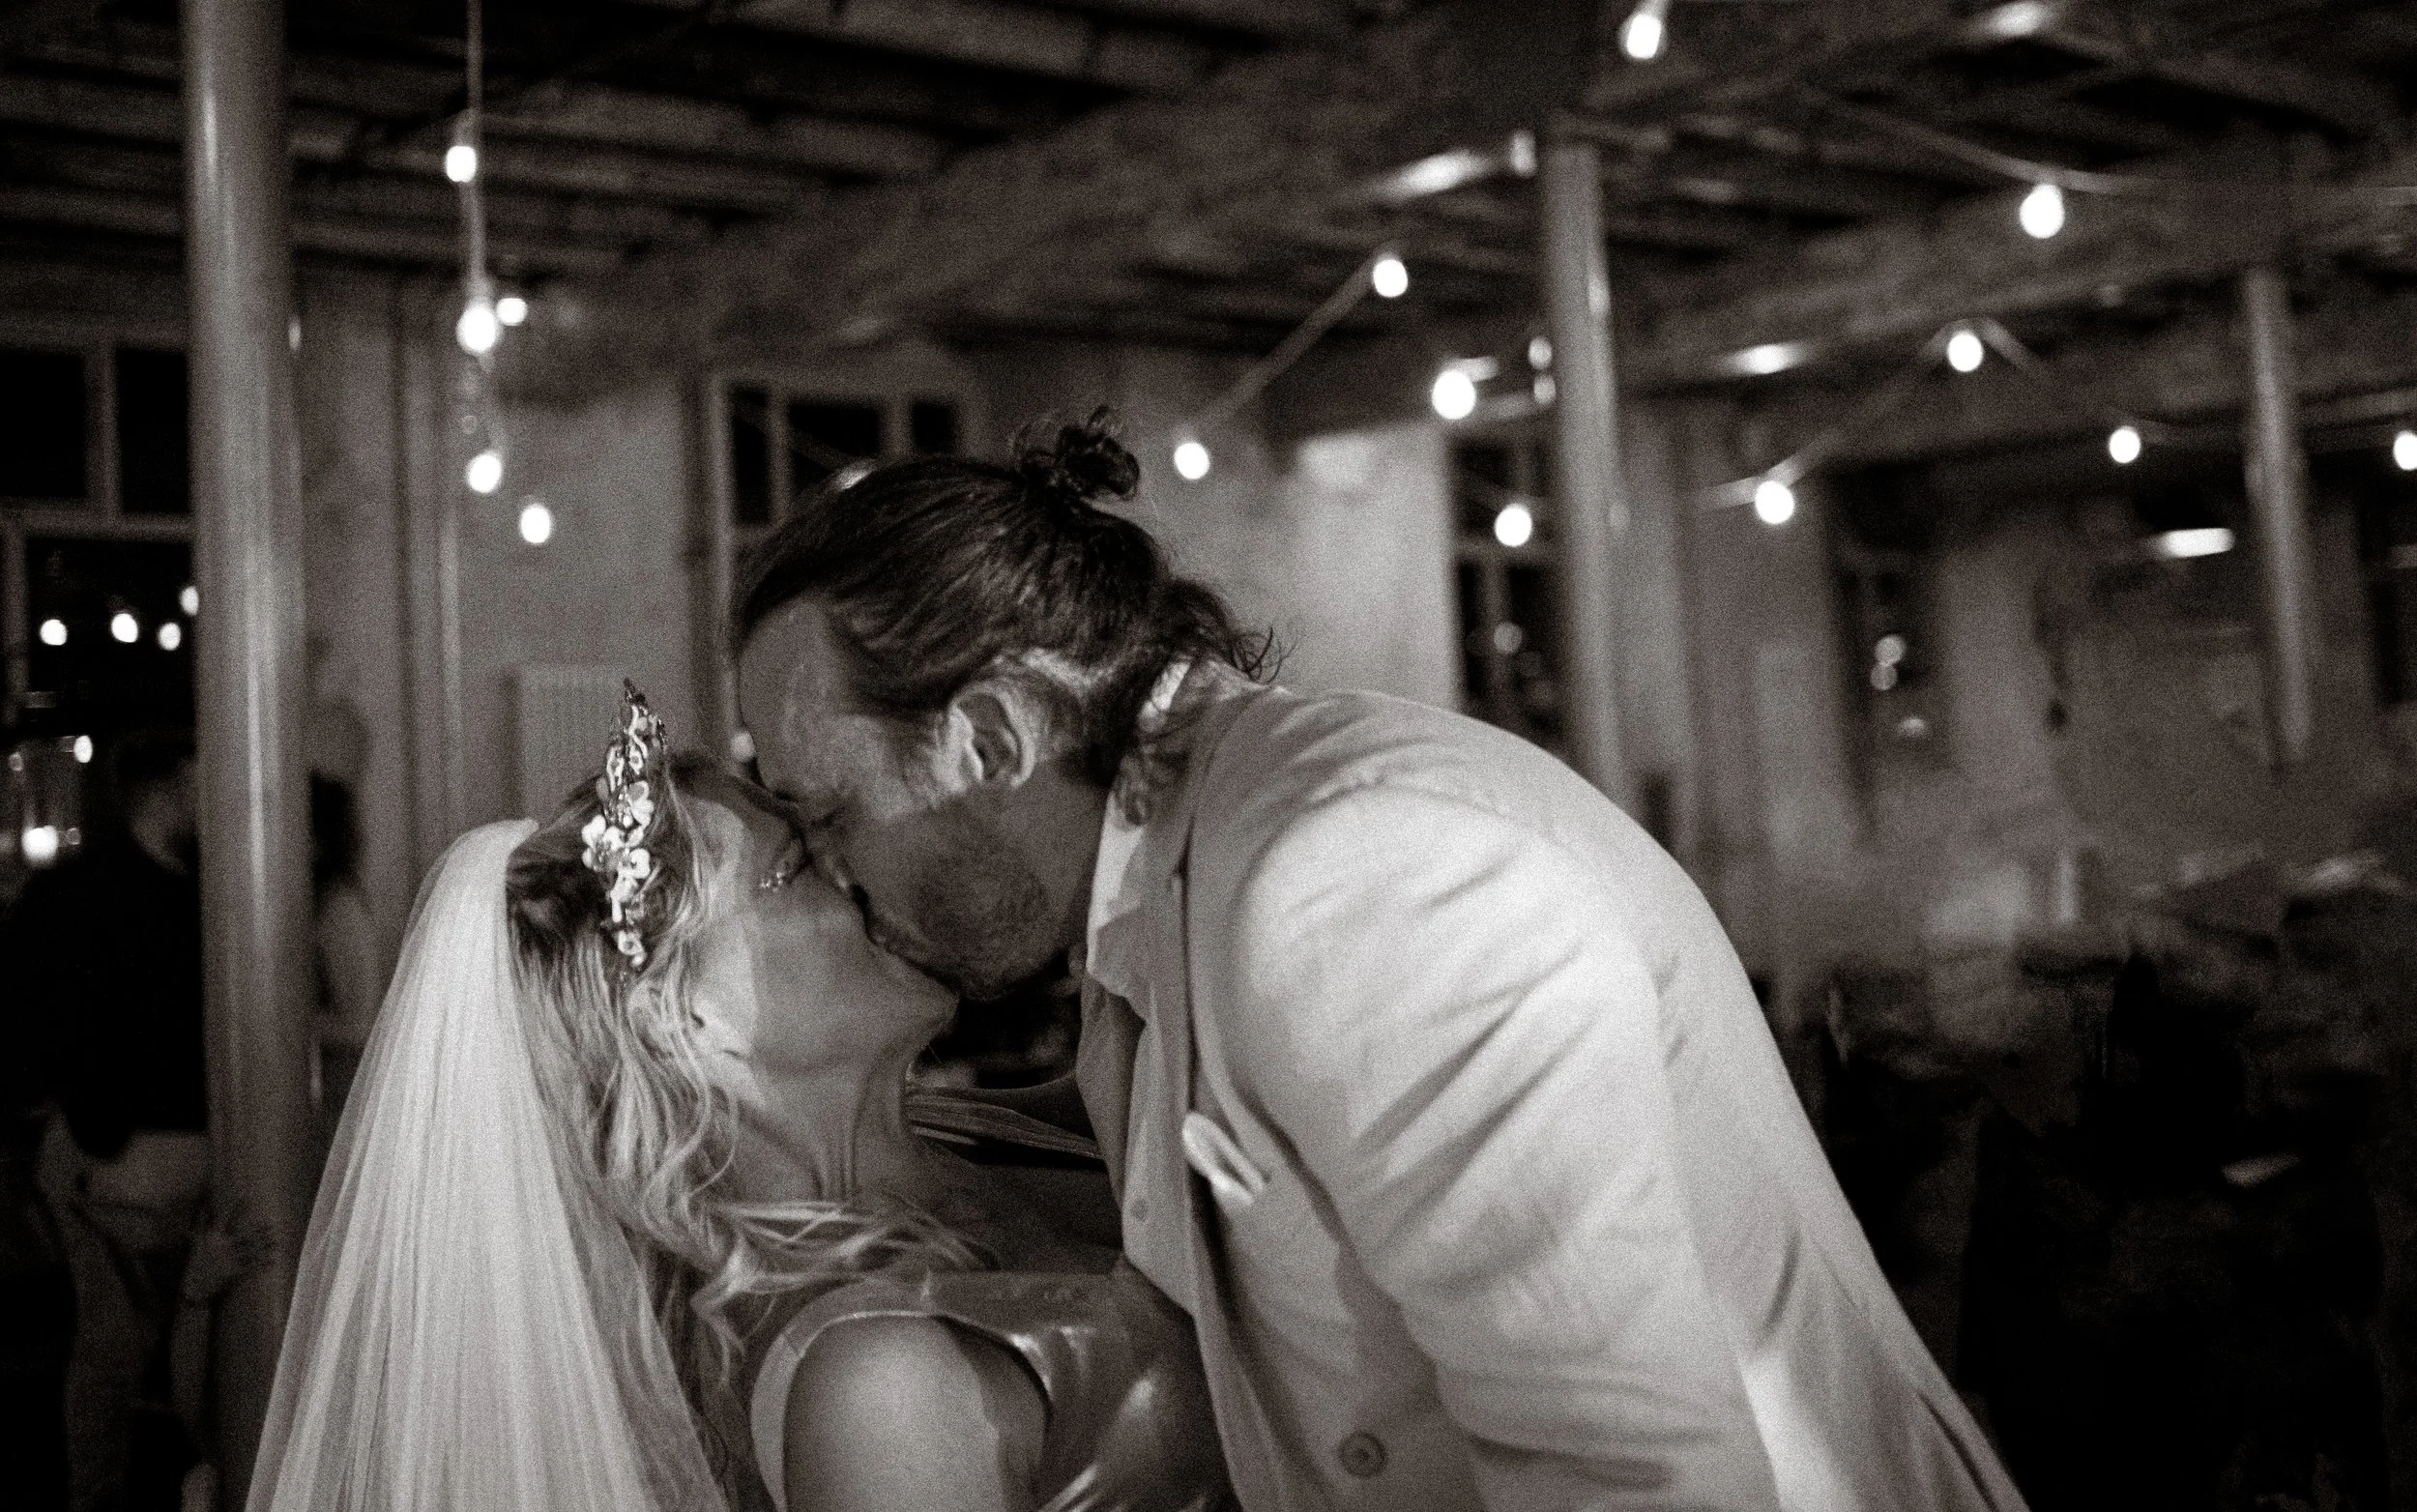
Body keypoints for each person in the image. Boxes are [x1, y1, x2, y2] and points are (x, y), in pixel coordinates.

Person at [733, 412, 2032, 1512]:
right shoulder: (1176, 877)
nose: (838, 875)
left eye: (836, 815)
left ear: (996, 737)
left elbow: (1630, 1471)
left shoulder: (1351, 878)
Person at [248, 690, 1228, 1512]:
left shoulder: (974, 1127)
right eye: (795, 866)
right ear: (686, 1020)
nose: (864, 864)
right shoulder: (867, 1389)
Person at [4, 730, 211, 1512]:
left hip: (153, 1149)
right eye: (199, 777)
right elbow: (41, 1016)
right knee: (115, 1351)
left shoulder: (190, 888)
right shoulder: (91, 894)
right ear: (169, 785)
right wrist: (95, 1135)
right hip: (122, 1151)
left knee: (163, 1347)